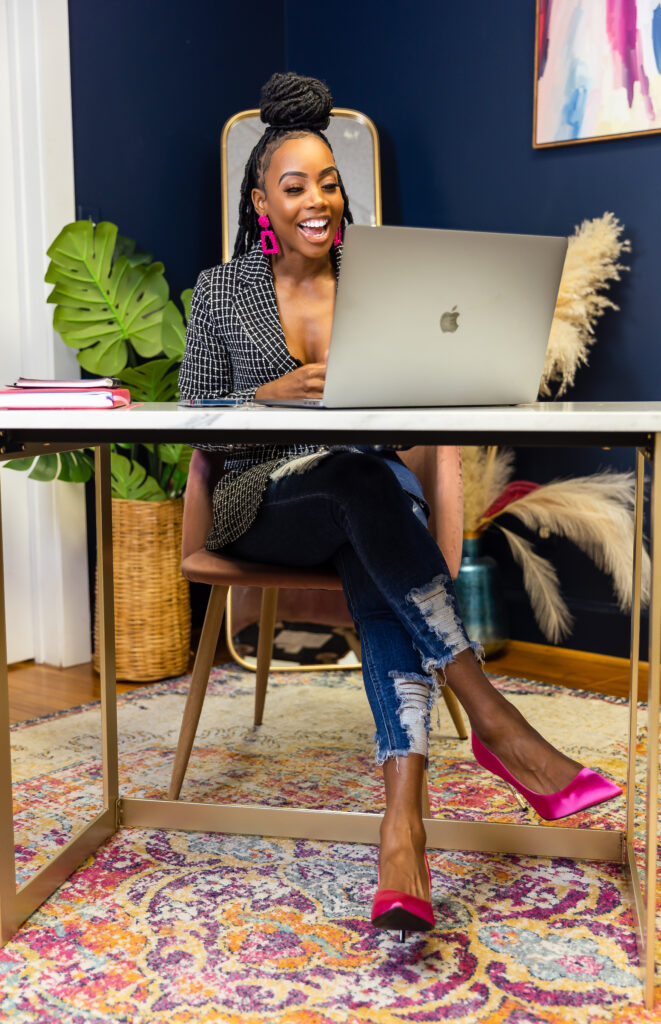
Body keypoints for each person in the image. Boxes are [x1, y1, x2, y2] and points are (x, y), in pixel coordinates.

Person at [178, 72, 621, 937]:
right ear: (261, 201)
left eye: (328, 182)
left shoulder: (382, 279)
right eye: (294, 186)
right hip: (263, 502)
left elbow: (424, 399)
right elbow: (192, 414)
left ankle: (402, 840)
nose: (317, 201)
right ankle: (491, 715)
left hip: (368, 501)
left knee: (367, 504)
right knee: (360, 486)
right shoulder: (223, 289)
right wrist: (268, 395)